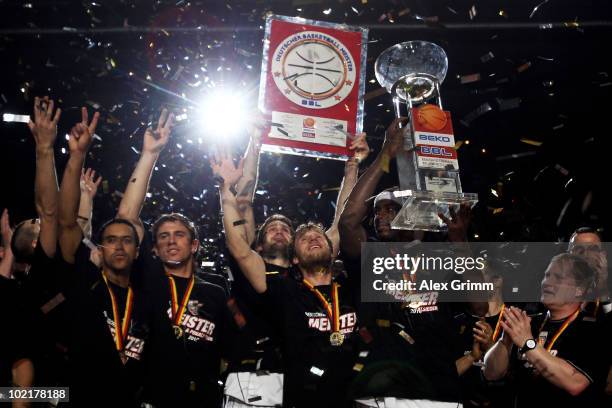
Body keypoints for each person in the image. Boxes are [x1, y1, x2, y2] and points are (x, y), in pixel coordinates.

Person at [220, 119, 369, 406]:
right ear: (258, 243)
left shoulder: (299, 279)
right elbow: (242, 205)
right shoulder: (258, 270)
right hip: (254, 374)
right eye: (271, 228)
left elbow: (342, 222)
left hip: (304, 377)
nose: (279, 230)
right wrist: (254, 143)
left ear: (295, 253)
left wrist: (353, 166)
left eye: (287, 229)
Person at [338, 117, 471, 407]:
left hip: (437, 390)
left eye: (390, 210)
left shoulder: (440, 256)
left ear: (412, 218)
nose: (380, 216)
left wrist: (460, 242)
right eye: (377, 212)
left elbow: (479, 305)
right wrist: (386, 153)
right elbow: (348, 222)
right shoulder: (369, 256)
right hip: (380, 388)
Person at [115, 109, 234, 407]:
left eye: (179, 234)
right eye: (163, 236)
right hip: (152, 397)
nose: (170, 240)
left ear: (194, 245)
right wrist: (150, 155)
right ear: (153, 249)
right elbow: (127, 219)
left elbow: (229, 350)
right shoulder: (147, 278)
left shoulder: (216, 293)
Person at [483, 253, 609, 406]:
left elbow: (575, 383)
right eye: (547, 275)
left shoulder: (595, 328)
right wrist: (505, 340)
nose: (547, 282)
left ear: (578, 290)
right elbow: (491, 373)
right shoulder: (529, 322)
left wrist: (528, 343)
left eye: (558, 278)